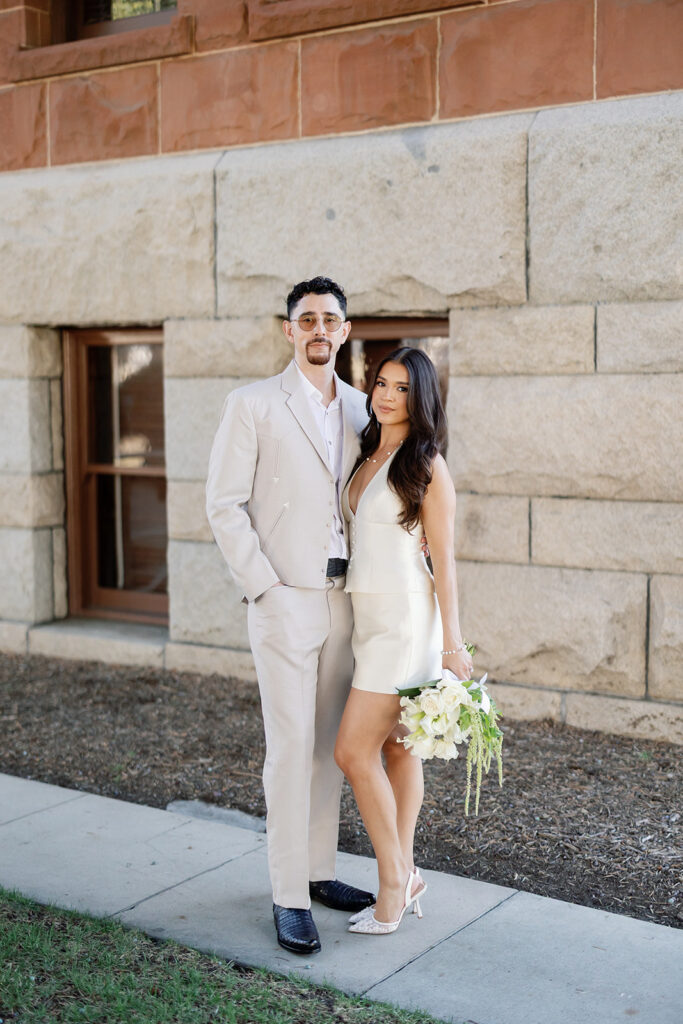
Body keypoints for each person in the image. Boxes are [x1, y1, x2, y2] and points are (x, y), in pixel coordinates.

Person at [205, 277, 375, 955]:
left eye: (329, 319)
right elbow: (223, 505)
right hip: (284, 600)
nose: (318, 330)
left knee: (329, 746)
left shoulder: (364, 409)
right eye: (306, 319)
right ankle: (286, 894)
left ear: (344, 329)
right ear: (288, 330)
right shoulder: (251, 404)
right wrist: (265, 589)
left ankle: (319, 871)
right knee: (286, 750)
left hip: (346, 601)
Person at [334, 347, 473, 935]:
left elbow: (444, 561)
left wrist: (454, 644)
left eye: (401, 389)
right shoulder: (370, 451)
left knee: (351, 751)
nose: (386, 396)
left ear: (421, 399)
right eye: (381, 384)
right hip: (367, 618)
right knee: (397, 748)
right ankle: (407, 868)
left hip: (408, 624)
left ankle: (393, 881)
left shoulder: (426, 464)